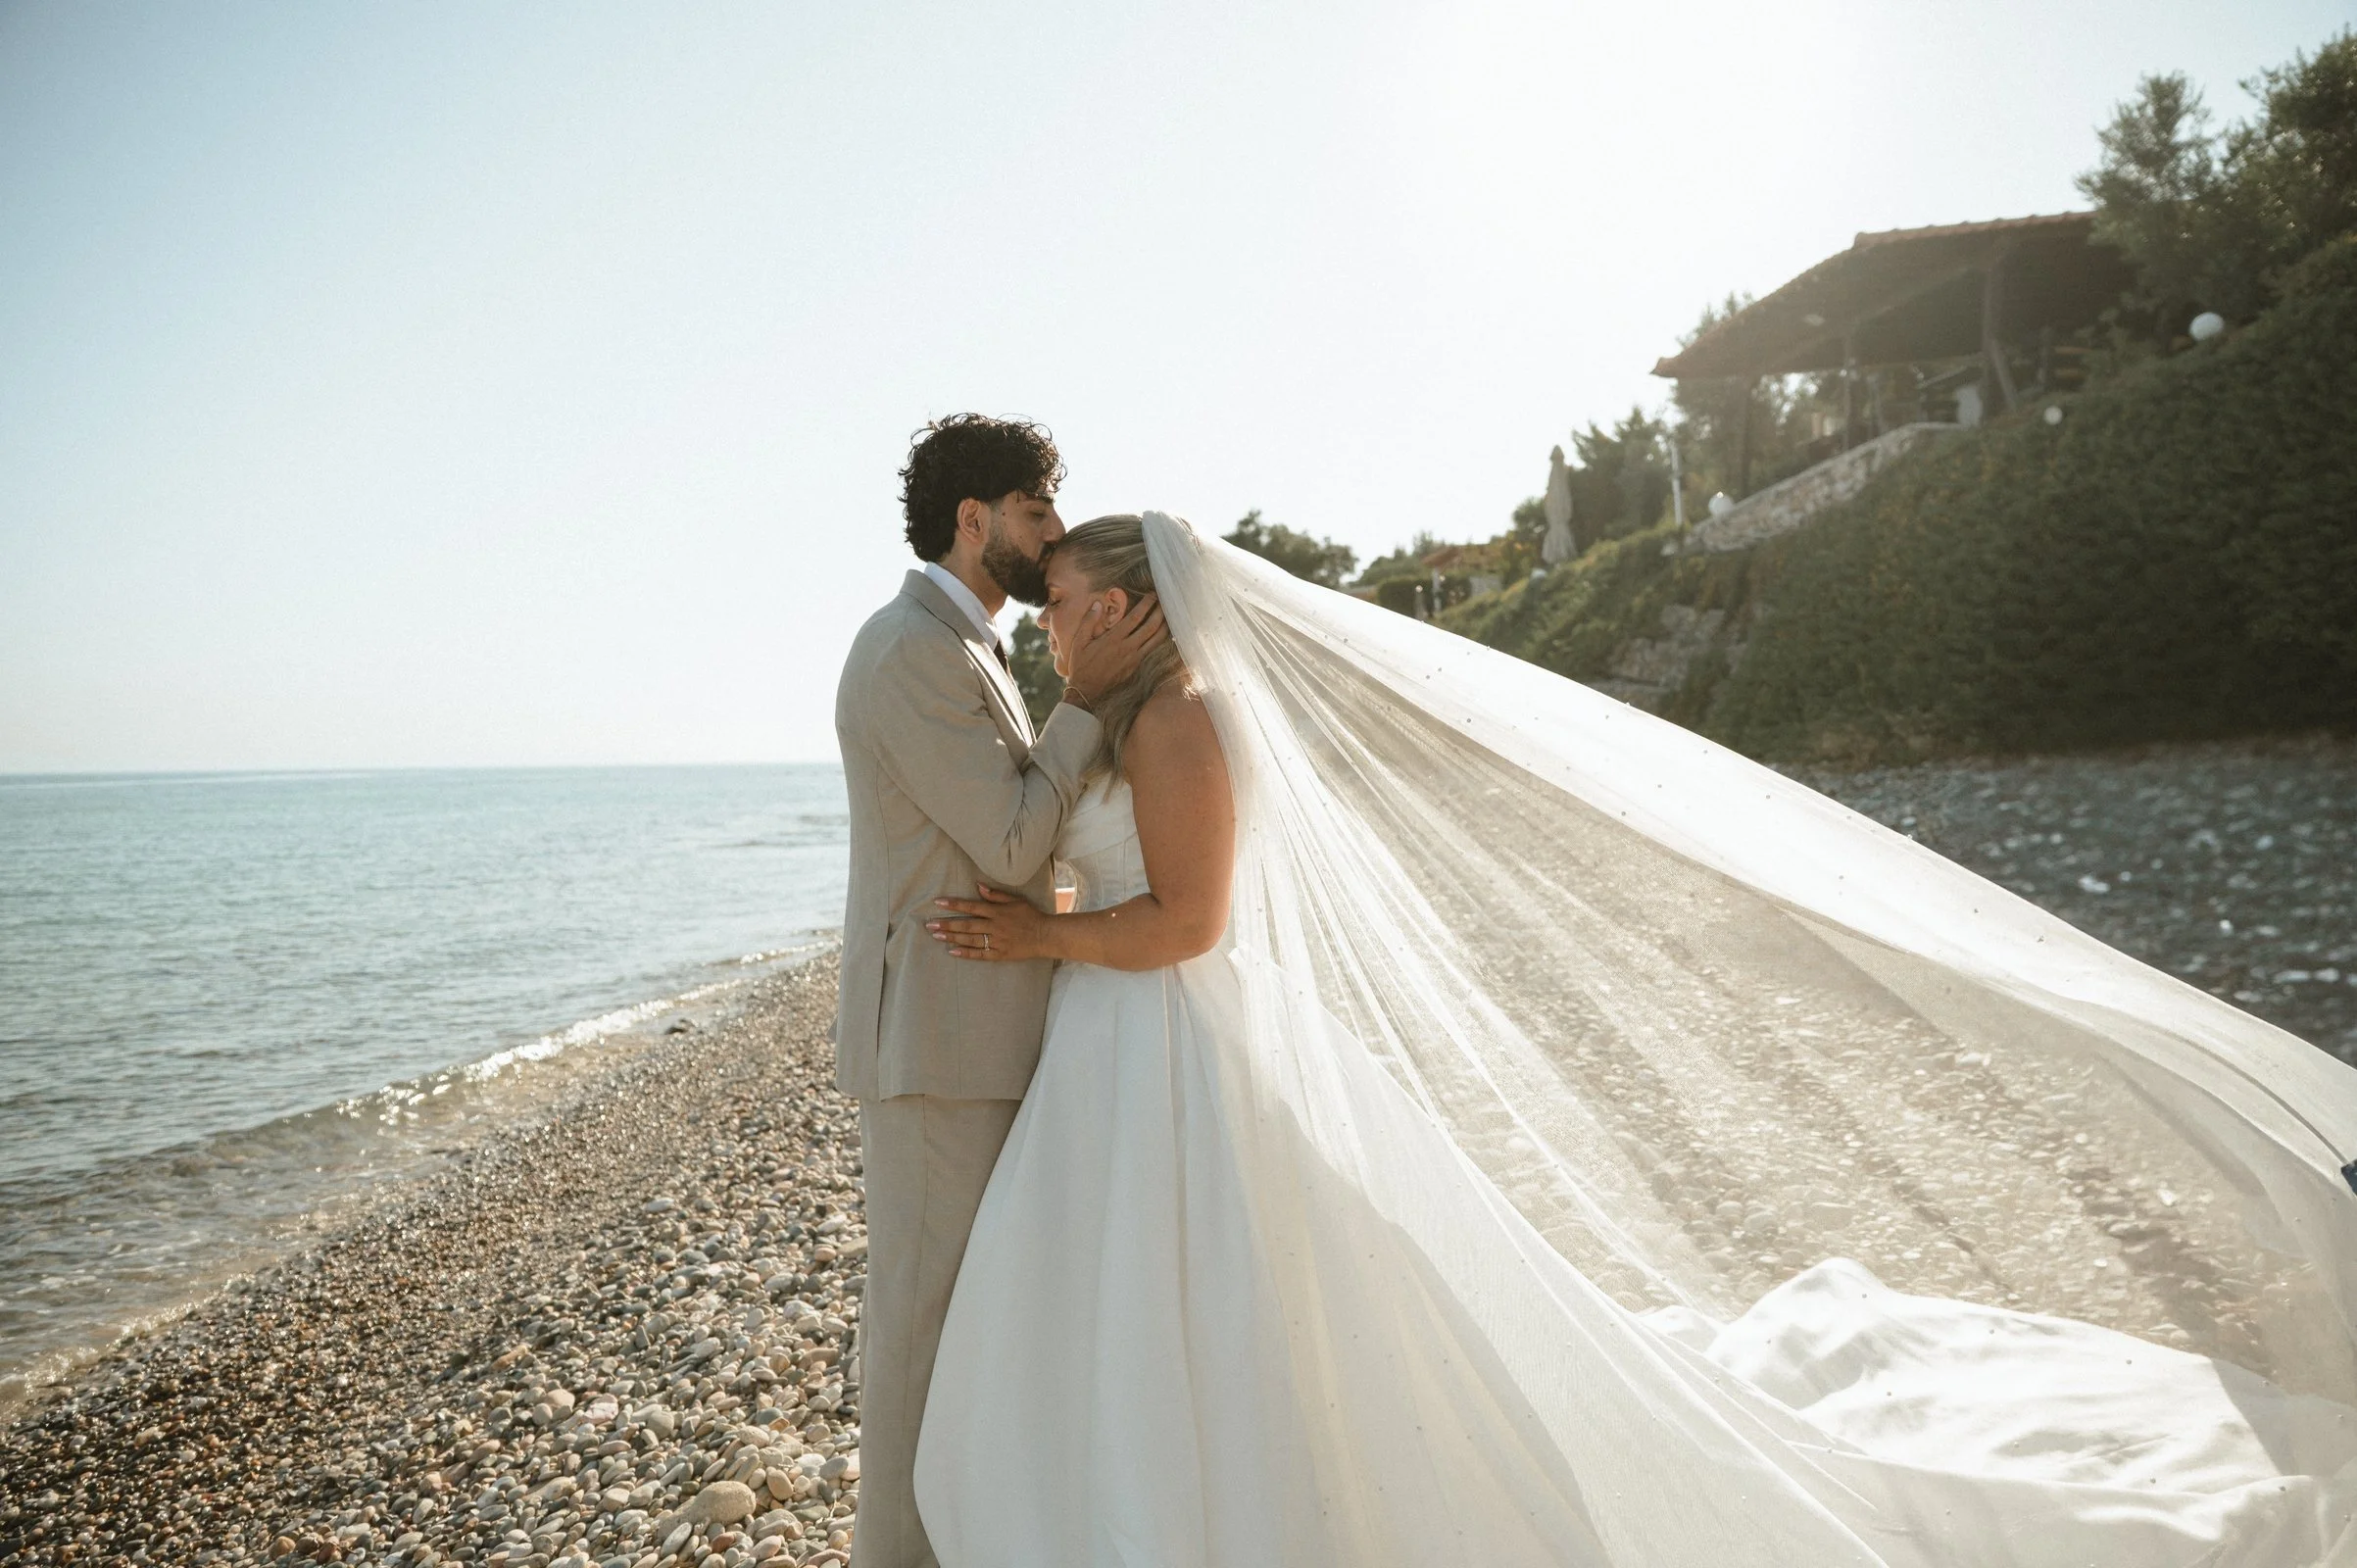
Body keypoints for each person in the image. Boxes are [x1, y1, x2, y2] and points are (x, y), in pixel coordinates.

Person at [910, 511, 2357, 1567]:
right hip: (1121, 1054)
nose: (1047, 626)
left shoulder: (1178, 724)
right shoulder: (1121, 717)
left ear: (1131, 610)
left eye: (1063, 606)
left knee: (1224, 1286)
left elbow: (1190, 925)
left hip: (1168, 1038)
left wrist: (1040, 935)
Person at [831, 416, 1163, 1568]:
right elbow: (1017, 844)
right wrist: (1089, 697)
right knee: (918, 1342)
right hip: (935, 1042)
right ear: (971, 520)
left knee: (971, 1334)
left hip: (987, 1032)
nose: (1053, 533)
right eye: (1034, 510)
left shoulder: (968, 644)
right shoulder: (909, 651)